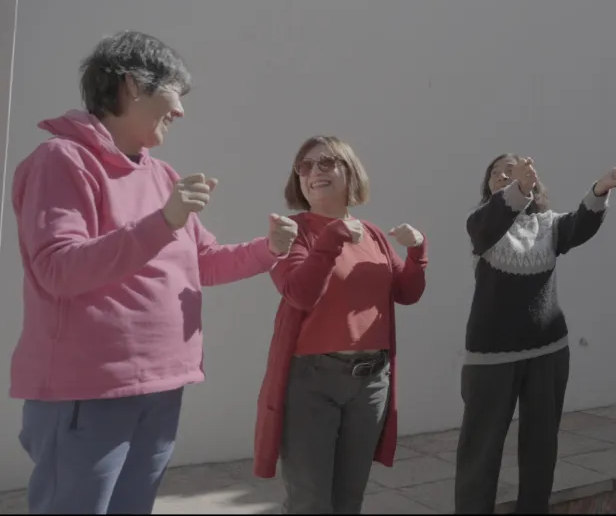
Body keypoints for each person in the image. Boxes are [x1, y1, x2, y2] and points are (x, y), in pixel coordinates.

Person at [9, 31, 298, 515]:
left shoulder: (160, 175)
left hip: (161, 386)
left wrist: (268, 250)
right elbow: (57, 268)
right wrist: (162, 222)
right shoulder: (62, 159)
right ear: (130, 87)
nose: (181, 111)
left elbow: (202, 262)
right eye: (175, 93)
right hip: (90, 389)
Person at [252, 136, 428, 513]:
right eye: (306, 166)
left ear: (350, 171)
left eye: (327, 162)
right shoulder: (292, 231)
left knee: (349, 500)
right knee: (311, 502)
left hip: (370, 383)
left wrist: (417, 253)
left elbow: (406, 291)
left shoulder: (374, 234)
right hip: (312, 383)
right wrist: (330, 239)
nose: (315, 171)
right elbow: (299, 292)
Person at [455, 154, 616, 514]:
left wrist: (600, 188)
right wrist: (518, 187)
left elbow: (579, 226)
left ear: (535, 182)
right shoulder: (481, 223)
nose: (505, 176)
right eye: (497, 173)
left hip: (548, 353)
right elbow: (489, 224)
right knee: (481, 453)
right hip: (491, 360)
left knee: (540, 451)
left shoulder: (548, 225)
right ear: (488, 186)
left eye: (514, 171)